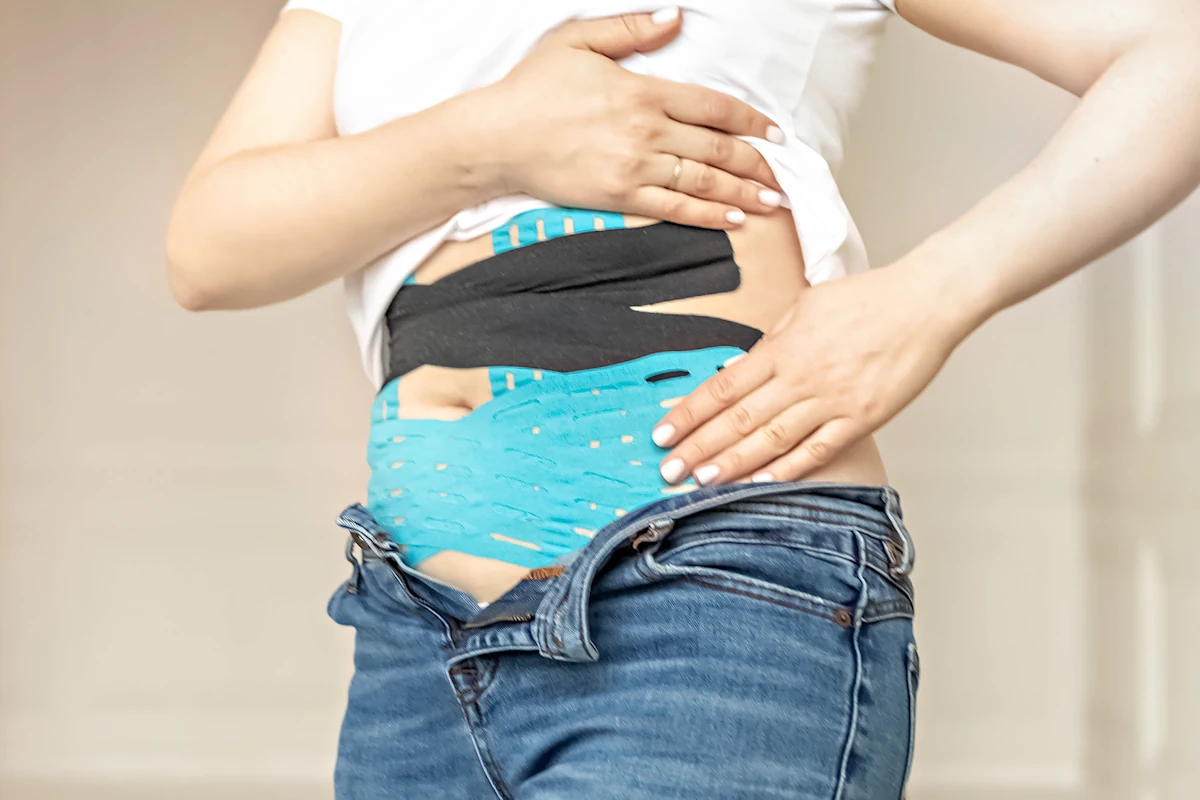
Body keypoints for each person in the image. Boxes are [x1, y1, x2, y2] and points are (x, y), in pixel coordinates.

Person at [165, 1, 1200, 797]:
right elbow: (207, 247)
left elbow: (1176, 52)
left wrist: (932, 296)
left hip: (703, 586)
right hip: (414, 629)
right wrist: (486, 140)